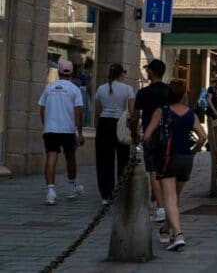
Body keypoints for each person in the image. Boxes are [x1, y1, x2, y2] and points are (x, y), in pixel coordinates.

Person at [143, 79, 206, 252]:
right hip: (186, 158)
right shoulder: (191, 114)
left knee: (169, 198)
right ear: (184, 95)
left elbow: (146, 135)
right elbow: (203, 137)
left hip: (167, 157)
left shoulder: (161, 112)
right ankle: (165, 229)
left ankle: (178, 235)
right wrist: (194, 151)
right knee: (175, 198)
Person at [39, 59, 86, 205]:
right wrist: (80, 132)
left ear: (58, 72)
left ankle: (51, 191)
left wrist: (46, 124)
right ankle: (71, 186)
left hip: (51, 128)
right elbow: (78, 112)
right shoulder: (74, 90)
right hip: (67, 129)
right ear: (71, 73)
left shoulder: (49, 88)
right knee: (70, 156)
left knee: (51, 157)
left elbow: (42, 108)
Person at [134, 59, 170, 223]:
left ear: (152, 72)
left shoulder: (143, 93)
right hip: (167, 134)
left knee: (153, 172)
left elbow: (135, 116)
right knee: (165, 170)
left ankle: (160, 208)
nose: (147, 72)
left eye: (148, 70)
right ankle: (164, 204)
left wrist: (135, 133)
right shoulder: (169, 92)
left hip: (150, 134)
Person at [94, 63, 134, 204]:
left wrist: (97, 126)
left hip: (104, 124)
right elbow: (131, 111)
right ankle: (122, 191)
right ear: (121, 74)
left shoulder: (101, 89)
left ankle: (106, 194)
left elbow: (97, 111)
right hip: (120, 124)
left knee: (104, 160)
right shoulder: (127, 89)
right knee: (123, 159)